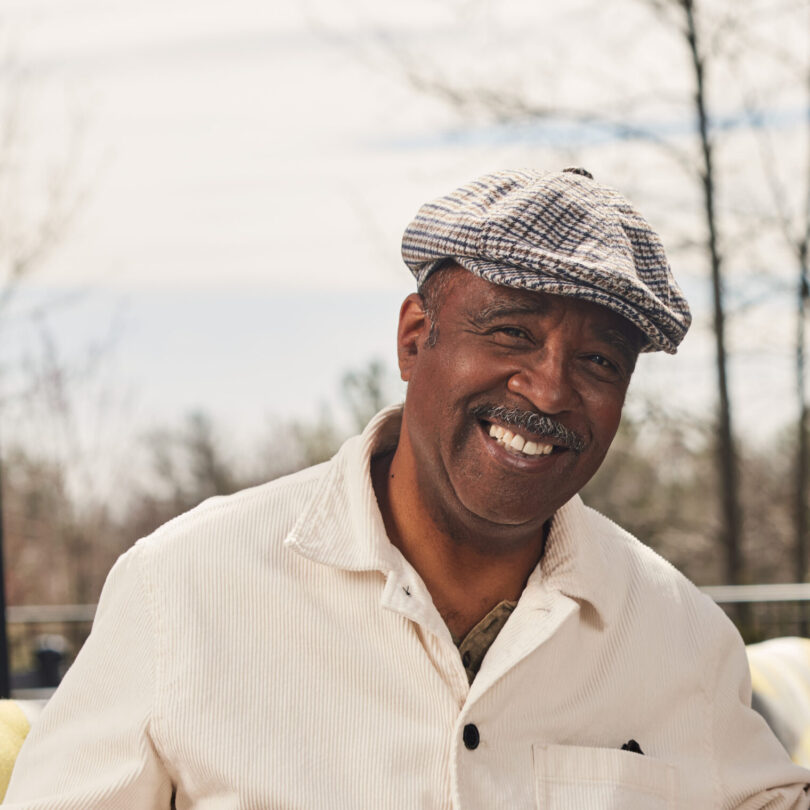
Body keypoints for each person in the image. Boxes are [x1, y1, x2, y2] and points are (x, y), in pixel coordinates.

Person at [4, 168, 810, 809]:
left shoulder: (681, 639)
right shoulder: (182, 589)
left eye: (599, 361)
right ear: (415, 339)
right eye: (512, 331)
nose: (549, 389)